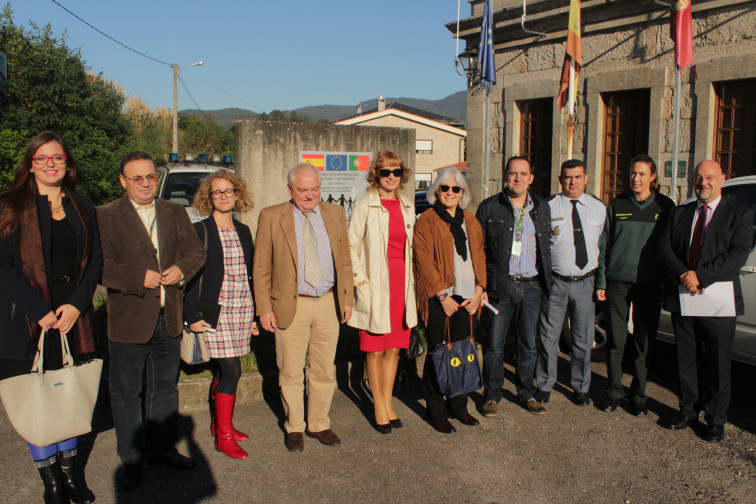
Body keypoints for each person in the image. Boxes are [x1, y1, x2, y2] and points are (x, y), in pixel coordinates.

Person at [0, 131, 101, 504]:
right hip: (26, 320)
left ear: (67, 163)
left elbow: (96, 262)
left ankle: (72, 475)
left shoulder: (82, 205)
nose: (50, 164)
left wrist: (76, 304)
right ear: (30, 164)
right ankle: (51, 482)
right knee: (36, 399)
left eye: (57, 158)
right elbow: (3, 267)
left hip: (73, 318)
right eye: (42, 159)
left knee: (68, 396)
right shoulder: (9, 206)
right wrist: (40, 312)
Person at [97, 152, 205, 490]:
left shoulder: (173, 211)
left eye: (150, 177)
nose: (145, 184)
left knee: (164, 390)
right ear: (123, 181)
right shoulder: (106, 216)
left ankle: (162, 449)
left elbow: (195, 252)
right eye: (137, 178)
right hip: (129, 319)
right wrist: (136, 277)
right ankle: (131, 457)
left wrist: (182, 270)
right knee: (127, 393)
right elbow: (100, 266)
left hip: (168, 316)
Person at [253, 163, 354, 451]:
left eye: (315, 189)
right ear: (290, 190)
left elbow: (344, 260)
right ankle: (294, 426)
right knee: (291, 371)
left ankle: (319, 423)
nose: (310, 195)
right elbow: (261, 267)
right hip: (289, 304)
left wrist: (346, 298)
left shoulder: (335, 214)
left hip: (327, 303)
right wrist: (264, 308)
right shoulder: (272, 216)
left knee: (324, 370)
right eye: (303, 190)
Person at [658, 160, 753, 442]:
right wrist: (684, 275)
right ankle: (688, 410)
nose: (703, 183)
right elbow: (663, 248)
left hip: (719, 302)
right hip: (685, 297)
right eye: (698, 178)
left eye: (710, 177)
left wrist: (700, 276)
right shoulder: (680, 213)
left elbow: (738, 254)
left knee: (718, 361)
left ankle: (715, 419)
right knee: (686, 358)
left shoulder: (739, 214)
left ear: (723, 179)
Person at [184, 171, 258, 459]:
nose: (224, 196)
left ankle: (220, 424)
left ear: (238, 194)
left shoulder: (244, 231)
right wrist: (191, 315)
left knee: (223, 370)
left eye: (229, 191)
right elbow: (190, 278)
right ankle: (224, 436)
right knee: (232, 371)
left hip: (242, 310)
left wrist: (253, 316)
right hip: (215, 311)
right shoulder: (200, 230)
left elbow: (248, 275)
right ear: (209, 197)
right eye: (217, 192)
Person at [595, 154, 674, 416]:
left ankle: (639, 395)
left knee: (643, 342)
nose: (635, 178)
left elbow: (670, 247)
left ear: (653, 177)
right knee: (617, 341)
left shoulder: (665, 207)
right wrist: (602, 281)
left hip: (649, 285)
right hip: (618, 283)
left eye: (641, 174)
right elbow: (604, 245)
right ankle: (614, 391)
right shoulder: (617, 204)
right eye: (632, 173)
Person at [476, 156, 552, 417]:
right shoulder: (489, 208)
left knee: (528, 345)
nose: (518, 178)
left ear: (531, 178)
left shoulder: (542, 206)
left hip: (531, 287)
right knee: (494, 345)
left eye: (523, 173)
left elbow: (547, 247)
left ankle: (526, 393)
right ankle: (492, 395)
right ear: (505, 176)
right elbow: (479, 251)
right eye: (513, 173)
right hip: (500, 288)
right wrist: (481, 285)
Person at [347, 151, 417, 434]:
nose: (391, 177)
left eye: (396, 171)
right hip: (375, 286)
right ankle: (378, 406)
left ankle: (388, 404)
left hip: (402, 287)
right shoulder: (366, 205)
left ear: (403, 174)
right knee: (374, 350)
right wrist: (360, 280)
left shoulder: (408, 205)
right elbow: (351, 245)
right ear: (376, 173)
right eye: (385, 171)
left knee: (394, 349)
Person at [414, 166, 486, 433]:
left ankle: (459, 406)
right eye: (445, 187)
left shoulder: (470, 219)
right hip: (441, 297)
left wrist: (479, 291)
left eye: (456, 188)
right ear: (437, 190)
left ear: (463, 193)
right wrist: (442, 295)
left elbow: (479, 255)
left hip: (468, 298)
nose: (450, 193)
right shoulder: (428, 219)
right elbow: (423, 261)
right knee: (439, 354)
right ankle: (437, 411)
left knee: (463, 353)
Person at [537, 159, 606, 407]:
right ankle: (545, 383)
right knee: (548, 336)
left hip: (586, 283)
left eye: (577, 176)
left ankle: (581, 387)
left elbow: (603, 247)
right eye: (567, 177)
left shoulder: (599, 208)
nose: (572, 181)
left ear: (586, 178)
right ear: (560, 179)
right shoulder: (547, 207)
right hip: (555, 282)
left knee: (583, 338)